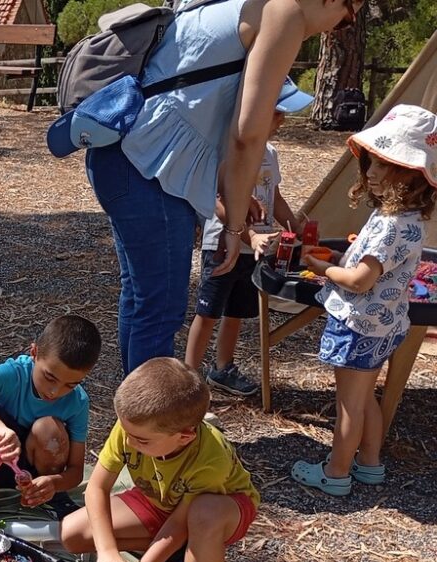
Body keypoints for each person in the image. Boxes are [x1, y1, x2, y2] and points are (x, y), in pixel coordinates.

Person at [55, 0, 364, 374]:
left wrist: (232, 198)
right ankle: (150, 410)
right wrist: (234, 227)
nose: (337, 27)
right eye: (348, 18)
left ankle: (136, 406)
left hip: (125, 156)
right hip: (143, 166)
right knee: (160, 310)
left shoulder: (252, 5)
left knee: (142, 300)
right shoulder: (285, 12)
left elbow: (205, 116)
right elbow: (247, 135)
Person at [61, 358, 260, 562]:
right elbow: (96, 488)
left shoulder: (211, 458)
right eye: (126, 431)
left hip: (222, 509)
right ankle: (184, 560)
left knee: (203, 514)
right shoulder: (133, 426)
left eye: (141, 440)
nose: (128, 442)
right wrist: (107, 551)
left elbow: (179, 524)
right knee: (72, 534)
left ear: (185, 436)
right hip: (158, 499)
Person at [292, 105, 437, 496]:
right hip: (384, 325)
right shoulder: (407, 219)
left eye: (383, 164)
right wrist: (343, 257)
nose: (370, 171)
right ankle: (369, 462)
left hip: (358, 325)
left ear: (411, 174)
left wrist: (321, 267)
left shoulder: (391, 225)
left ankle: (336, 472)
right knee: (365, 397)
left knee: (349, 405)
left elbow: (359, 281)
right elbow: (374, 266)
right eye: (370, 161)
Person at [184, 77, 314, 397]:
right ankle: (188, 379)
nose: (282, 121)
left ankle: (222, 368)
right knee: (208, 312)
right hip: (223, 245)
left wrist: (296, 226)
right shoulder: (226, 151)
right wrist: (249, 235)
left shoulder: (269, 153)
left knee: (236, 313)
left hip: (254, 250)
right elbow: (218, 204)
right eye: (277, 113)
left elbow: (275, 197)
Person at [0, 315, 102, 528]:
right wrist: (0, 429)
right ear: (34, 353)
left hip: (40, 473)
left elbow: (76, 471)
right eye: (50, 377)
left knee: (48, 429)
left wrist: (54, 483)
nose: (55, 391)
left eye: (70, 385)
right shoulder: (15, 374)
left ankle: (52, 497)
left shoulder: (78, 402)